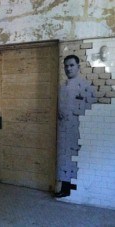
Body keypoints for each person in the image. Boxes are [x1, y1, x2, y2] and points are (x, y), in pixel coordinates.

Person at [55, 55, 96, 198]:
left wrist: (74, 113)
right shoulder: (62, 87)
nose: (68, 68)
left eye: (71, 65)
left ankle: (72, 189)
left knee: (74, 158)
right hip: (63, 129)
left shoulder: (85, 86)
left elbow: (90, 107)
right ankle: (65, 188)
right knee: (64, 158)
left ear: (78, 67)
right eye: (66, 66)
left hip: (77, 128)